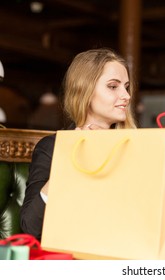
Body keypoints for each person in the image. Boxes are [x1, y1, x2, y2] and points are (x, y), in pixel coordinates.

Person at [20, 48, 137, 240]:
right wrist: (67, 164)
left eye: (126, 86)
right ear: (85, 90)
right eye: (113, 86)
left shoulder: (137, 147)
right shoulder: (52, 147)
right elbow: (30, 227)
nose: (126, 95)